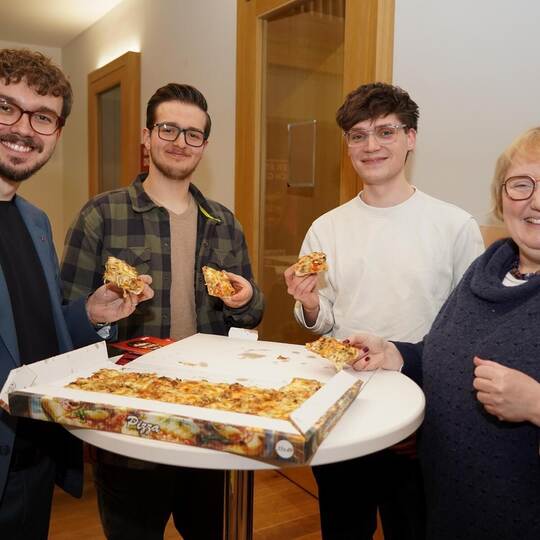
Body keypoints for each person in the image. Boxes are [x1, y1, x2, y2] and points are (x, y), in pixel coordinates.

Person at [61, 83, 264, 540]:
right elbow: (65, 320)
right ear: (146, 136)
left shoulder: (225, 224)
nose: (180, 142)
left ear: (204, 145)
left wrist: (247, 299)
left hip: (209, 422)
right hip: (129, 429)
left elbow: (250, 318)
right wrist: (96, 315)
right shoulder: (101, 215)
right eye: (168, 129)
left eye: (193, 134)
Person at [283, 83, 484, 540]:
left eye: (385, 132)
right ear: (347, 145)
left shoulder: (454, 225)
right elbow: (323, 321)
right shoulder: (326, 227)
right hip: (342, 402)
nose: (371, 145)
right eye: (358, 135)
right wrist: (310, 304)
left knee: (412, 524)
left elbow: (467, 330)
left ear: (410, 137)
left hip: (419, 406)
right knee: (342, 524)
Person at [349, 126, 540, 540]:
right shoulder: (486, 271)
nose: (536, 201)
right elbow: (445, 353)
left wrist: (535, 403)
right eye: (521, 184)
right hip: (446, 504)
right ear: (501, 197)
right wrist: (396, 355)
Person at [0, 48, 153, 539]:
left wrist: (90, 313)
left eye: (42, 117)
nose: (23, 129)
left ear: (57, 132)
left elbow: (36, 332)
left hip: (32, 459)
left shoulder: (35, 221)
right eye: (6, 107)